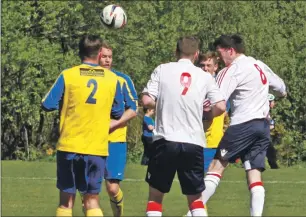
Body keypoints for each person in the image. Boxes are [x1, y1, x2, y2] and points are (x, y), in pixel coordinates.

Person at [200, 34, 287, 217]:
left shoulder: (232, 70)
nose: (220, 59)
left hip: (243, 125)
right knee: (254, 174)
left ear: (230, 51)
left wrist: (198, 111)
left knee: (216, 166)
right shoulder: (258, 64)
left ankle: (194, 212)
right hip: (262, 127)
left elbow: (216, 99)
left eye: (220, 53)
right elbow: (281, 89)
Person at [141, 36, 226, 217]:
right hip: (193, 142)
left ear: (176, 51)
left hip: (165, 140)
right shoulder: (204, 76)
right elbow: (221, 106)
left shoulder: (162, 69)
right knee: (195, 199)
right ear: (196, 55)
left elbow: (147, 99)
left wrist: (163, 105)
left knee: (155, 197)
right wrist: (208, 115)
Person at [41, 35, 124, 217]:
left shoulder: (67, 75)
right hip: (97, 147)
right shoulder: (112, 79)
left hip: (69, 145)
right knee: (92, 200)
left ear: (79, 51)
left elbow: (47, 103)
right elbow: (118, 112)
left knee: (66, 201)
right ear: (100, 53)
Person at [99, 41, 138, 217]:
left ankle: (118, 214)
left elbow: (134, 108)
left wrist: (114, 123)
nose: (107, 60)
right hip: (91, 139)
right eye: (103, 56)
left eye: (109, 57)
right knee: (87, 188)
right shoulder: (87, 78)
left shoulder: (122, 79)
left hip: (115, 139)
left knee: (113, 188)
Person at [266, 93, 279, 169]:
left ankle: (274, 166)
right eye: (272, 101)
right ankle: (274, 167)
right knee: (271, 151)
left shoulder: (268, 112)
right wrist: (271, 126)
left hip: (265, 135)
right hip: (263, 135)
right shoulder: (265, 112)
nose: (274, 103)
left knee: (271, 151)